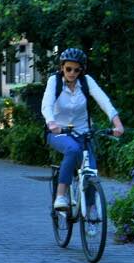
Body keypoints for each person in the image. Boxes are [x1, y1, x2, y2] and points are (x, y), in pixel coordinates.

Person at [42, 47, 124, 212]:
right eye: (68, 69)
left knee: (91, 171)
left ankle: (91, 211)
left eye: (76, 69)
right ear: (62, 68)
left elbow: (104, 101)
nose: (72, 72)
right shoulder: (54, 82)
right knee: (72, 149)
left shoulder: (86, 82)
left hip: (83, 132)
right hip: (59, 132)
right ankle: (60, 196)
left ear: (81, 70)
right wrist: (51, 123)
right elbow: (47, 104)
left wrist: (117, 124)